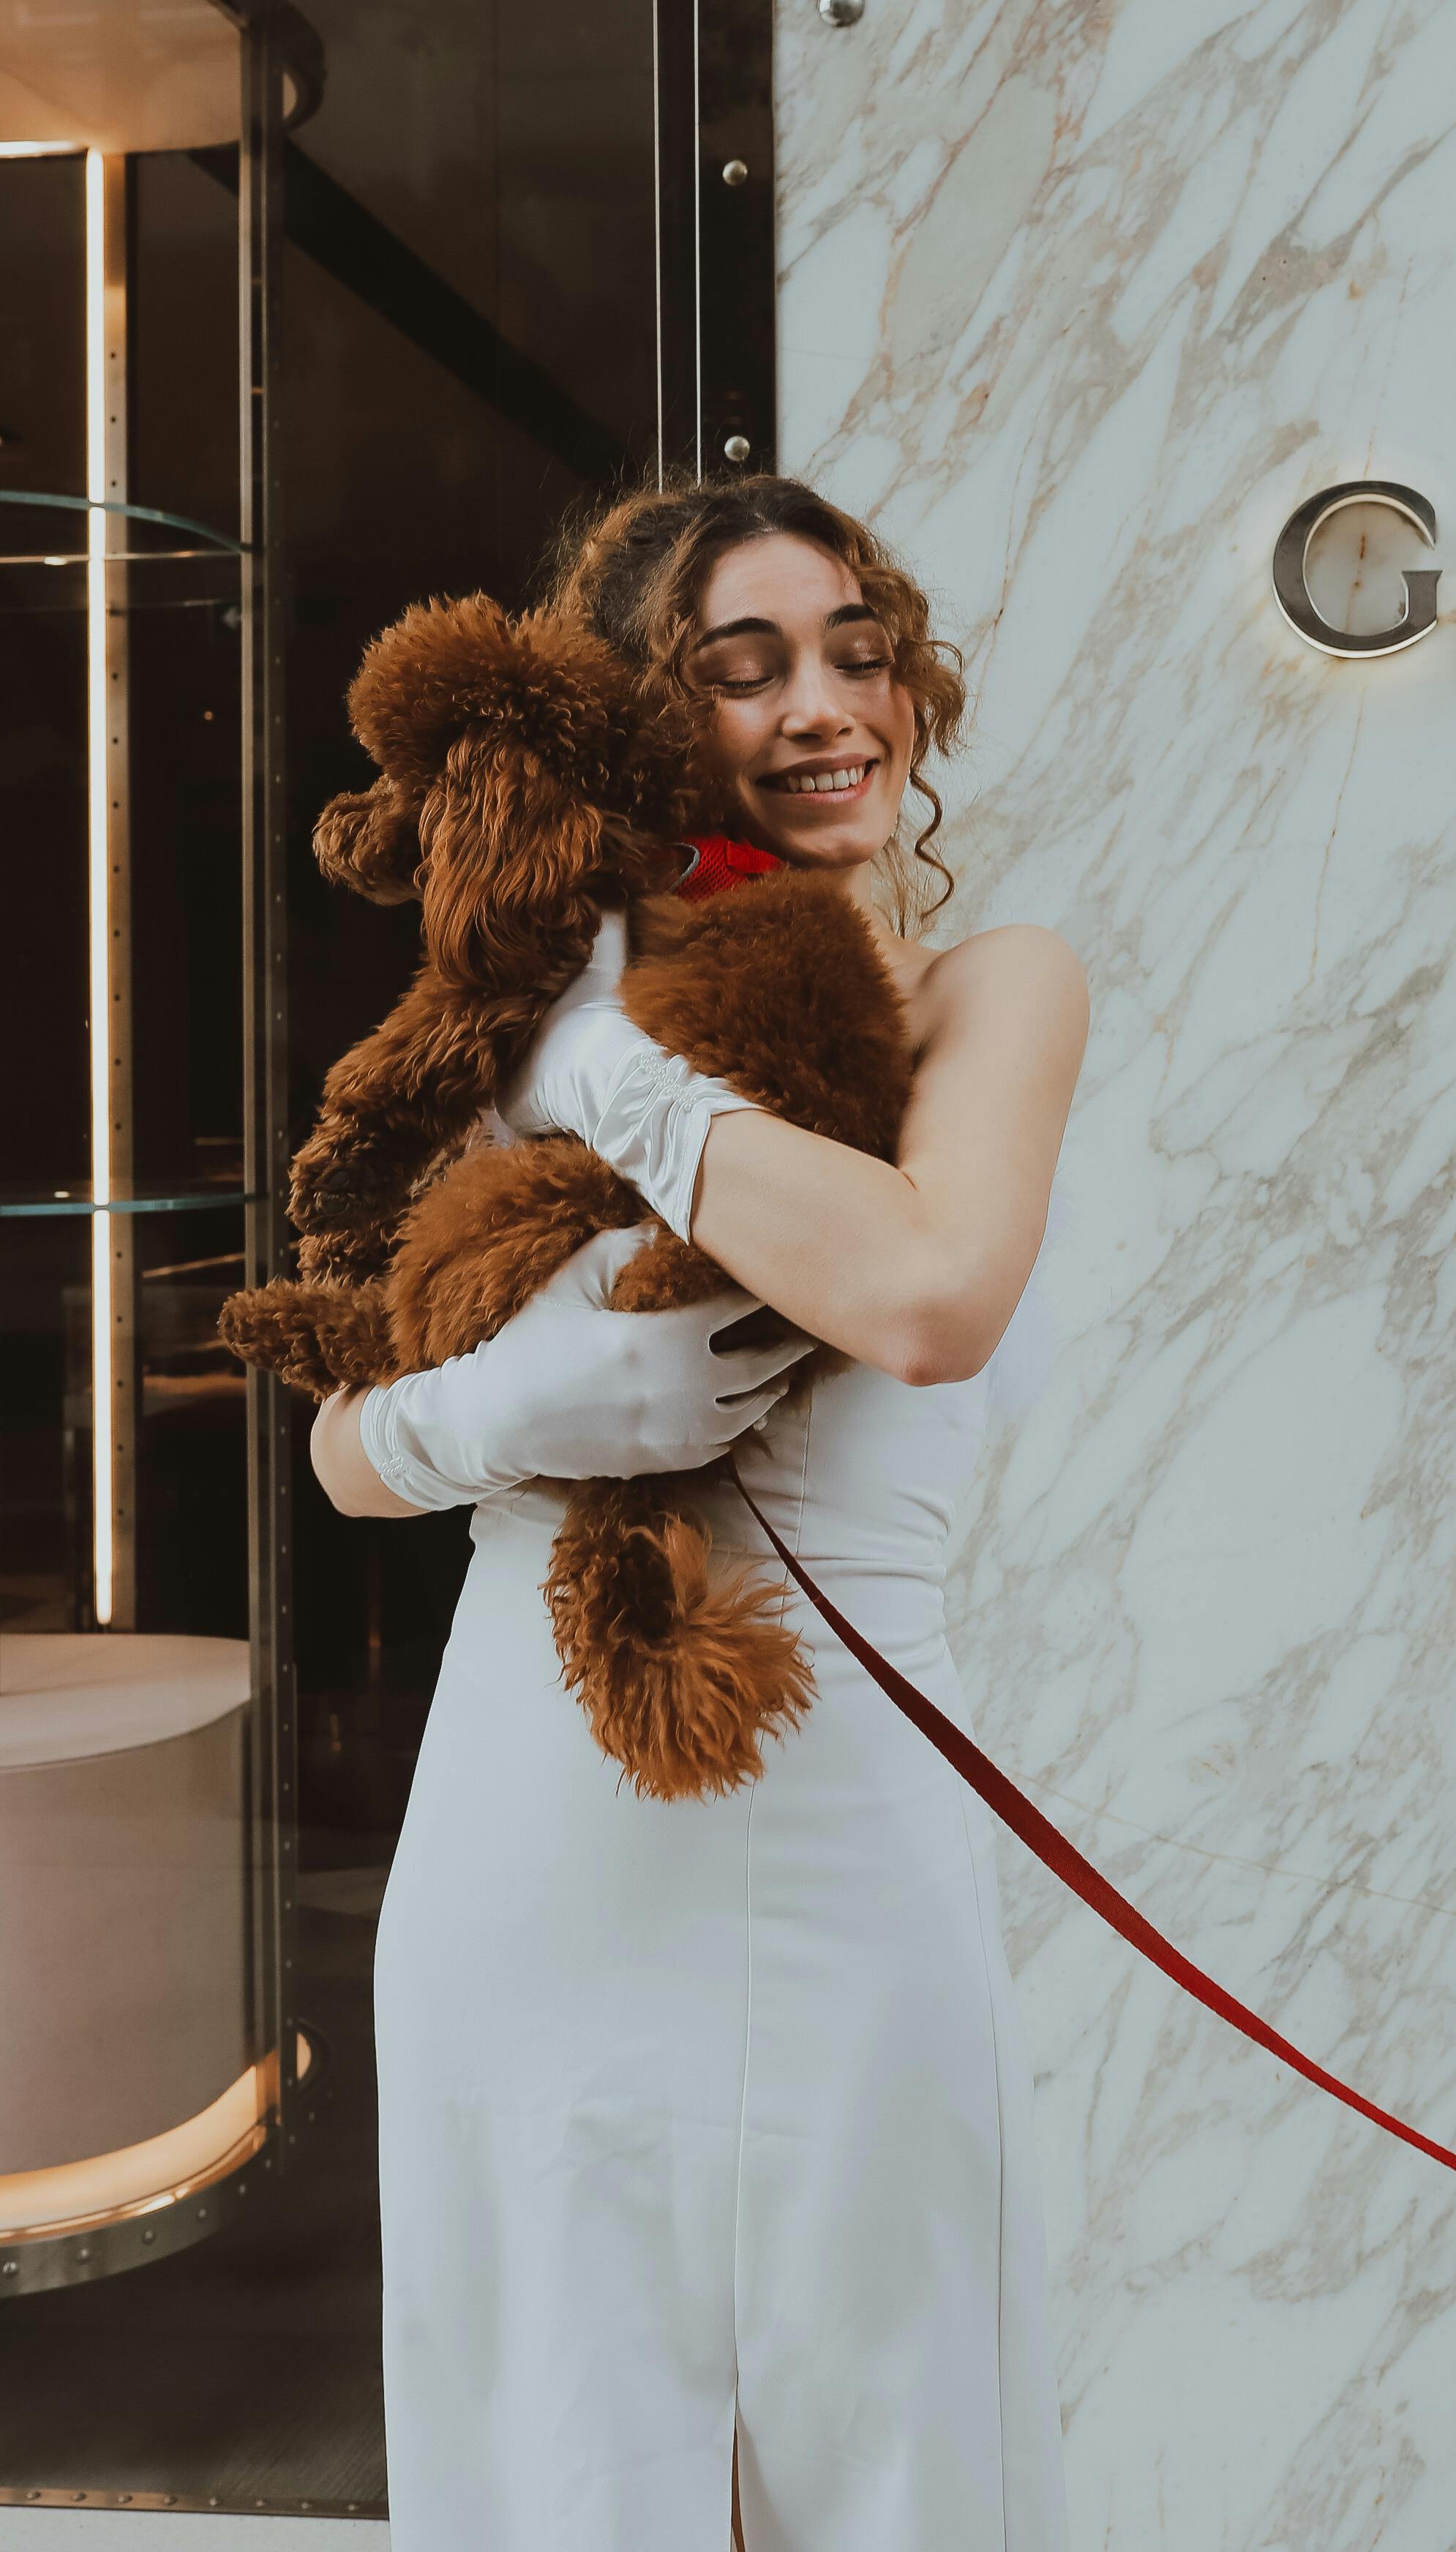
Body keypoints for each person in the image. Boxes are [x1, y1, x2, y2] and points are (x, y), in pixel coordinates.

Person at [311, 474, 1087, 2552]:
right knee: (561, 2452)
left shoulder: (984, 997)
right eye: (745, 672)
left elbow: (925, 1293)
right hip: (530, 1829)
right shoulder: (516, 1023)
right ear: (655, 729)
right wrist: (498, 1411)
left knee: (895, 2439)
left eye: (857, 646)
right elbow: (340, 1448)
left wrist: (618, 1078)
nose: (830, 704)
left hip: (848, 1831)